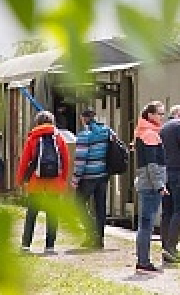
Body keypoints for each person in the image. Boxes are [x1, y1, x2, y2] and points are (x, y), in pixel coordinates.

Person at [15, 110, 72, 253]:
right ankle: (50, 246)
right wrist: (63, 179)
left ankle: (26, 245)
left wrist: (20, 180)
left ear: (37, 122)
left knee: (32, 214)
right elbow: (66, 160)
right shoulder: (59, 138)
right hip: (54, 182)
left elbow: (24, 162)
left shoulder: (32, 138)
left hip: (36, 182)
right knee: (52, 214)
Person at [71, 107, 113, 249]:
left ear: (83, 119)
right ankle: (99, 239)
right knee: (100, 207)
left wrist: (75, 179)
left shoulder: (84, 135)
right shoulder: (107, 131)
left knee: (78, 204)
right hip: (103, 175)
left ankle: (91, 232)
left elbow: (80, 160)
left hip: (88, 177)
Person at [158, 104, 180, 263]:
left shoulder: (163, 128)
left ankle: (165, 246)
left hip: (165, 173)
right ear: (179, 113)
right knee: (179, 210)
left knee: (167, 211)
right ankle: (171, 247)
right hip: (179, 171)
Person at [133, 101, 167, 273]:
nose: (162, 117)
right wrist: (160, 186)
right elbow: (152, 165)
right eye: (160, 114)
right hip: (151, 186)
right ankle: (143, 261)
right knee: (147, 225)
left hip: (145, 183)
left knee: (144, 224)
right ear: (150, 115)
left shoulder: (142, 132)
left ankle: (142, 260)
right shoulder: (150, 135)